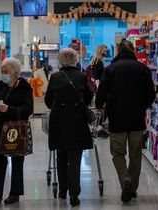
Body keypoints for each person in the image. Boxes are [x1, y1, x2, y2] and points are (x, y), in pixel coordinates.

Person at [95, 40, 156, 203]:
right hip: (137, 120)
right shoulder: (143, 69)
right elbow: (151, 94)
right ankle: (132, 188)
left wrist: (99, 106)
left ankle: (125, 181)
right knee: (135, 155)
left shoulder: (111, 69)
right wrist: (143, 106)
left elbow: (101, 93)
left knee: (117, 153)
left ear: (118, 51)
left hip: (117, 120)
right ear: (133, 51)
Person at [45, 48, 93, 207]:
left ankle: (62, 190)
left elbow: (47, 101)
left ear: (60, 60)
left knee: (61, 156)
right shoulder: (81, 76)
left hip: (59, 121)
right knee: (75, 158)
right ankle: (74, 194)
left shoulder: (55, 77)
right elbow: (87, 98)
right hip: (77, 121)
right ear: (75, 59)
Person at [0, 57, 33, 205]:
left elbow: (28, 109)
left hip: (16, 129)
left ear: (15, 73)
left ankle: (15, 193)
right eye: (2, 71)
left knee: (17, 161)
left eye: (6, 72)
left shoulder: (25, 87)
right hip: (0, 128)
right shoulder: (0, 86)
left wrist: (9, 109)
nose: (3, 74)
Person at [89, 44, 109, 137]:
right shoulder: (99, 61)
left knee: (99, 108)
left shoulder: (94, 59)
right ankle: (99, 128)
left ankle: (98, 127)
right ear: (100, 50)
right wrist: (100, 90)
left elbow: (93, 76)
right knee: (103, 108)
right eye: (104, 51)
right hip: (99, 87)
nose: (105, 53)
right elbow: (97, 77)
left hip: (96, 87)